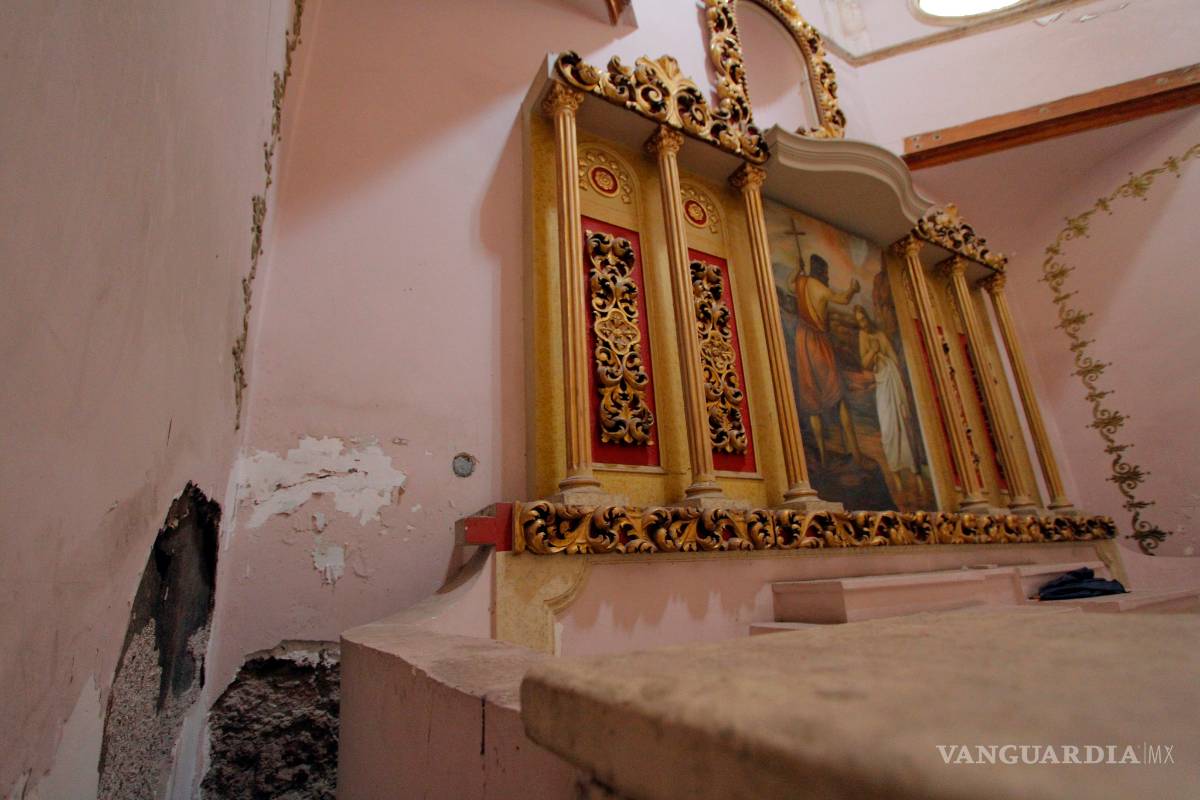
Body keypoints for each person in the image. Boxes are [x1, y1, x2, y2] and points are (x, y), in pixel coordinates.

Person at [792, 253, 863, 466]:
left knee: (812, 399)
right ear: (821, 271)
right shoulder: (820, 288)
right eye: (826, 272)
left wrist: (798, 272)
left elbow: (789, 284)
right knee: (838, 395)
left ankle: (823, 456)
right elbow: (842, 299)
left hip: (802, 340)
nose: (828, 276)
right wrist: (853, 289)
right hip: (818, 343)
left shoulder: (801, 282)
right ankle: (856, 455)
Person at [854, 304, 924, 502]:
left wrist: (881, 353)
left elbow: (894, 359)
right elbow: (865, 363)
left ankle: (916, 477)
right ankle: (896, 476)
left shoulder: (880, 335)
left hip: (892, 380)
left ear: (868, 318)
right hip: (881, 383)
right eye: (859, 321)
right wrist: (873, 352)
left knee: (904, 429)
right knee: (888, 430)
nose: (863, 324)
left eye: (864, 319)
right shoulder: (862, 336)